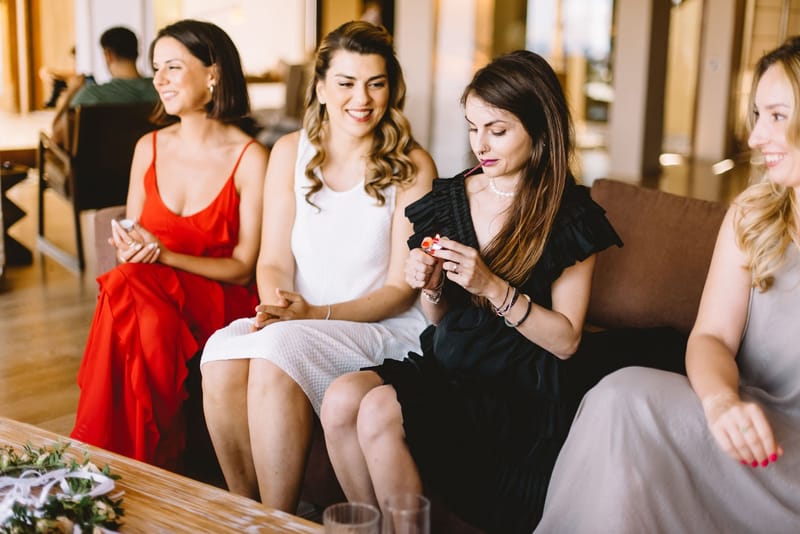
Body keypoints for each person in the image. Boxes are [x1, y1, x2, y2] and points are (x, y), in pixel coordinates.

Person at [320, 50, 625, 534]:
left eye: (497, 130)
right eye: (472, 127)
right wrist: (433, 285)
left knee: (378, 408)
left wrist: (492, 286)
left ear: (539, 128)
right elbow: (439, 319)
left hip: (516, 388)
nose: (480, 144)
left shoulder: (569, 215)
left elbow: (566, 341)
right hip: (451, 363)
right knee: (338, 399)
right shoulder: (451, 197)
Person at [535, 38, 800, 533]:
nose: (757, 135)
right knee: (621, 396)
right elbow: (712, 338)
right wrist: (721, 402)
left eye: (778, 116)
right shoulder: (751, 214)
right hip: (746, 425)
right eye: (758, 114)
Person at [199, 20, 437, 514]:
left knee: (277, 351)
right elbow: (273, 260)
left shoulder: (412, 167)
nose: (362, 99)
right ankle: (248, 513)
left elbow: (399, 290)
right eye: (347, 83)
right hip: (301, 317)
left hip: (379, 327)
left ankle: (280, 520)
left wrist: (311, 314)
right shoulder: (289, 153)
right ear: (322, 87)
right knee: (220, 353)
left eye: (376, 83)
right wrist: (278, 304)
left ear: (391, 88)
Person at [70, 19, 268, 470]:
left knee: (128, 291)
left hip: (219, 298)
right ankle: (144, 461)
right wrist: (132, 245)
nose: (158, 79)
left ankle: (112, 459)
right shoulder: (148, 146)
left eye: (173, 67)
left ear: (213, 73)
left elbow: (241, 268)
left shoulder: (251, 158)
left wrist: (162, 254)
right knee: (130, 286)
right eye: (155, 67)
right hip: (152, 292)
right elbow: (133, 242)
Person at [51, 26, 159, 147]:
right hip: (151, 160)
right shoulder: (161, 88)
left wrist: (71, 92)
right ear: (138, 53)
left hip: (100, 164)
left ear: (108, 55)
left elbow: (57, 136)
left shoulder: (92, 95)